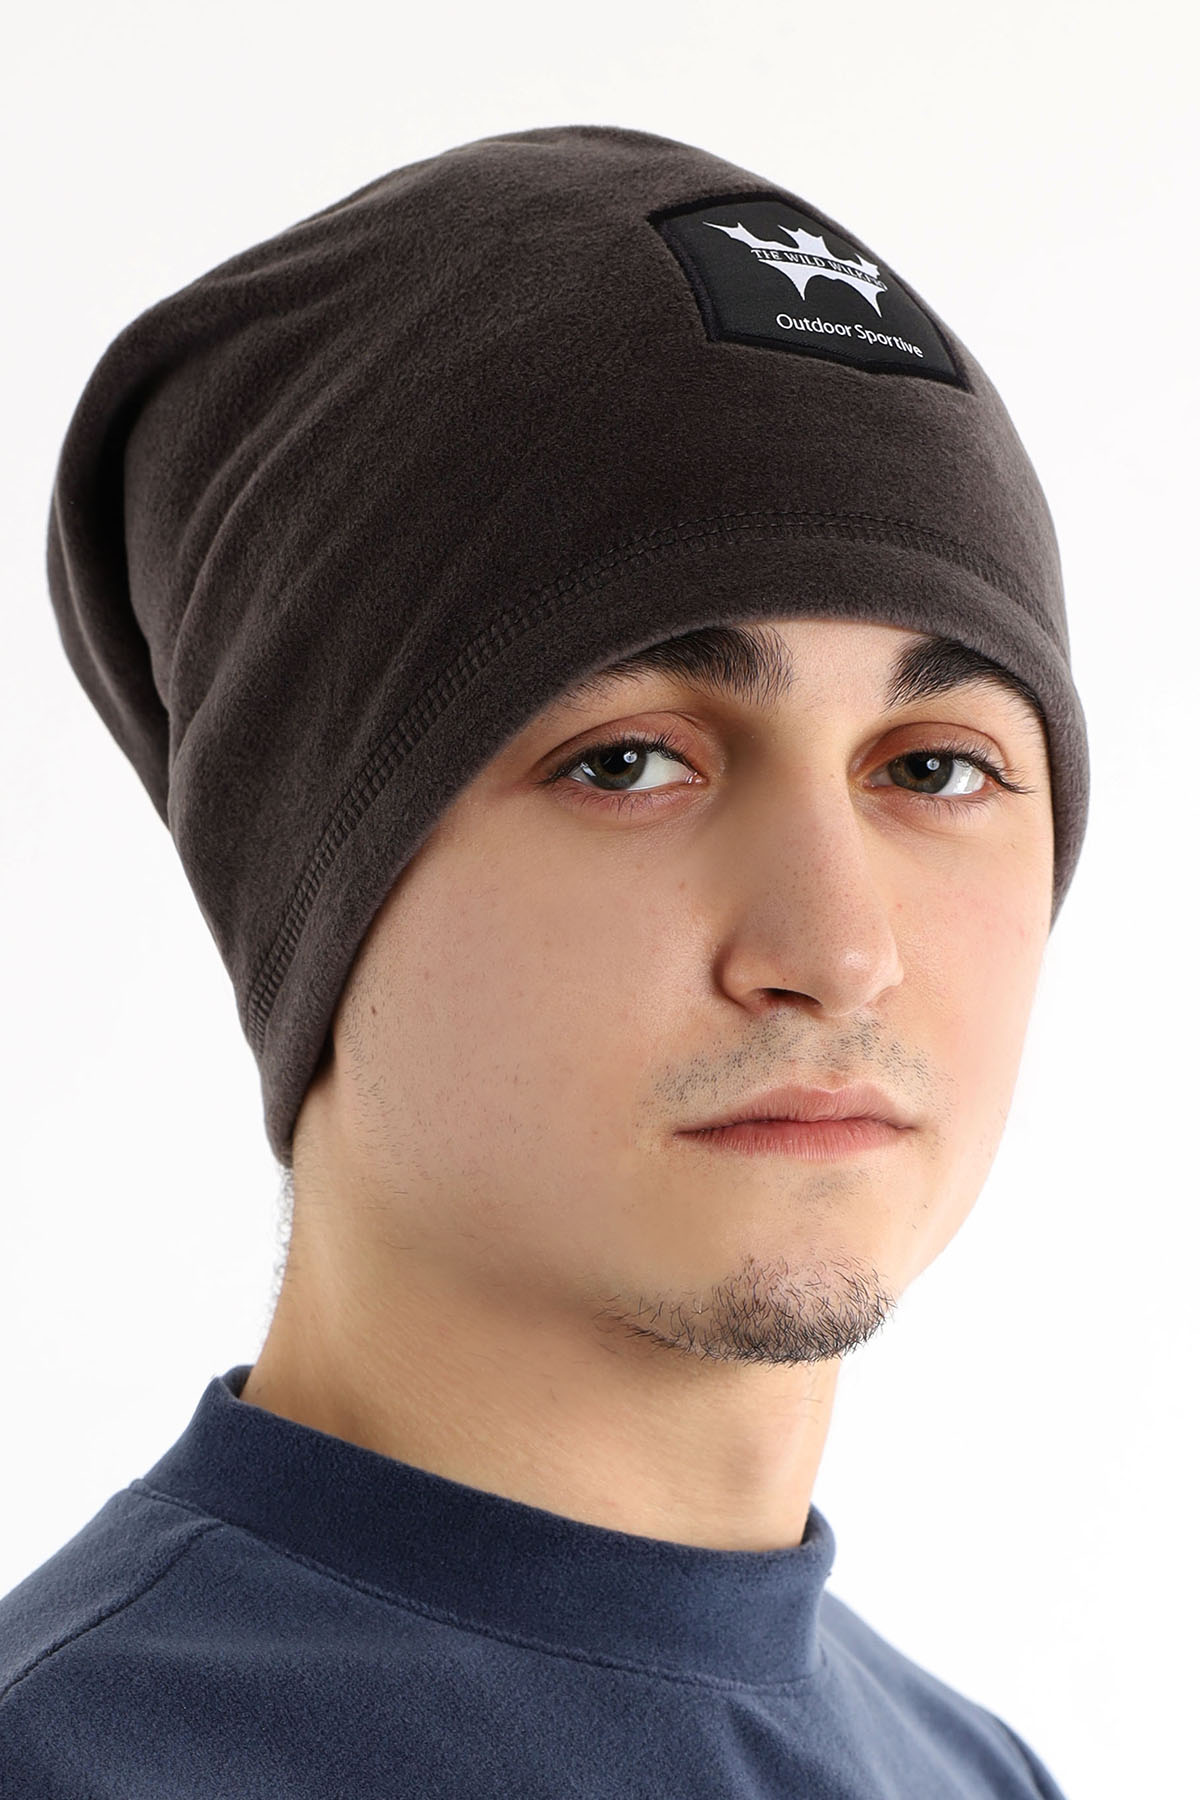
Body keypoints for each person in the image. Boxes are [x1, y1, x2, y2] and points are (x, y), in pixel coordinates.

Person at [1, 123, 1086, 1796]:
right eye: (630, 762)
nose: (838, 950)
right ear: (313, 879)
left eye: (935, 767)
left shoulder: (971, 1771)